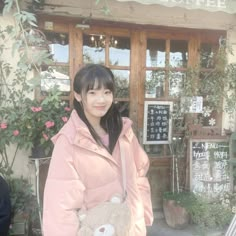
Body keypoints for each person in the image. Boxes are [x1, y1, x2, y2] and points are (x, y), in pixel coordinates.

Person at [43, 64, 153, 236]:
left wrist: (140, 211)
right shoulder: (69, 141)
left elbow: (140, 171)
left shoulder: (123, 130)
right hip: (97, 229)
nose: (101, 100)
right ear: (78, 95)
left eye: (107, 92)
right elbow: (60, 205)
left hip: (129, 226)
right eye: (93, 93)